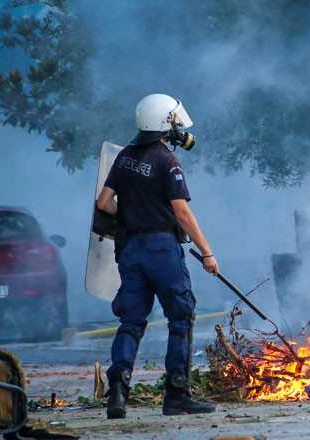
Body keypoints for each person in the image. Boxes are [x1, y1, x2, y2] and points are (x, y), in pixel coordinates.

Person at [96, 93, 218, 419]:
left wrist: (130, 215)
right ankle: (177, 395)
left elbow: (104, 203)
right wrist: (207, 252)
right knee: (180, 318)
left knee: (131, 321)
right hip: (162, 249)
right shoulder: (168, 161)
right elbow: (182, 213)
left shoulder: (124, 157)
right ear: (165, 123)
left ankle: (117, 395)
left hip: (130, 250)